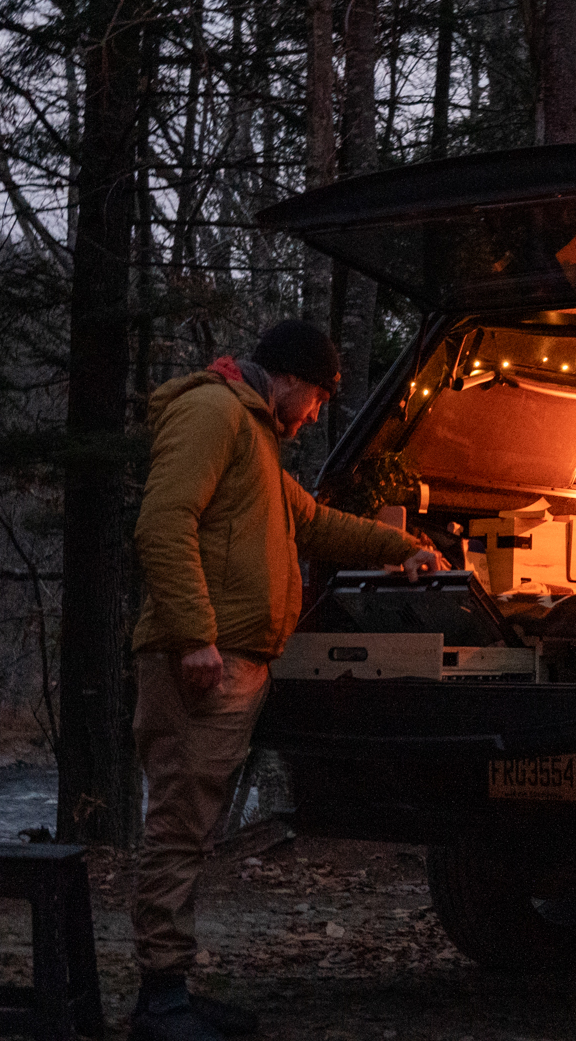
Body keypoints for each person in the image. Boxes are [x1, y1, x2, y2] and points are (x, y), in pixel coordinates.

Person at [127, 320, 444, 1041]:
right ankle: (160, 1003)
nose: (312, 417)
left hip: (234, 662)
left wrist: (403, 548)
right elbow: (162, 523)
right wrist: (196, 635)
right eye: (318, 400)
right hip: (201, 663)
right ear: (295, 380)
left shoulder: (257, 440)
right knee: (179, 822)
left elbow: (317, 524)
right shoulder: (214, 414)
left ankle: (172, 988)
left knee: (192, 823)